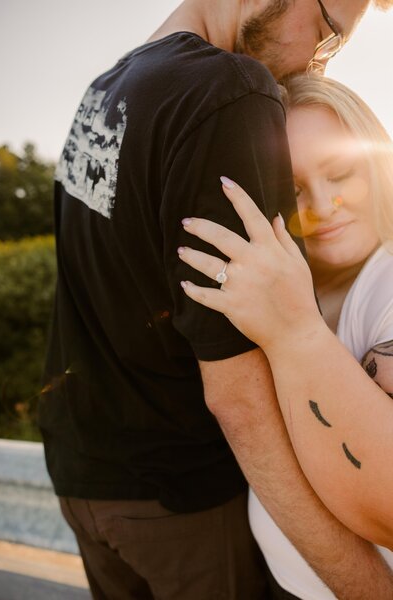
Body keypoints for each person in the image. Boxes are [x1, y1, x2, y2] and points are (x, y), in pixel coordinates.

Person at [40, 0, 393, 598]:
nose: (319, 60)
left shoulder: (106, 92)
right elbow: (240, 401)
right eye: (331, 33)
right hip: (183, 503)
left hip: (85, 480)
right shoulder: (230, 93)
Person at [178, 73, 393, 598]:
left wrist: (293, 332)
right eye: (293, 187)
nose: (322, 205)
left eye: (341, 173)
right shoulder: (297, 289)